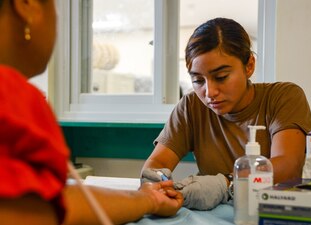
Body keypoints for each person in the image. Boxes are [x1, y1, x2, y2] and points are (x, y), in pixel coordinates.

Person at [0, 0, 183, 225]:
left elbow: (59, 202)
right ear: (26, 5)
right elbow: (33, 214)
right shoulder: (12, 96)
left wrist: (148, 199)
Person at [141, 17, 311, 209]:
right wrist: (156, 180)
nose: (210, 92)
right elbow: (159, 160)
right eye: (198, 80)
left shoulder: (284, 97)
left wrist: (227, 184)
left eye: (221, 77)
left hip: (271, 212)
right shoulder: (191, 106)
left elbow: (288, 167)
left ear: (249, 66)